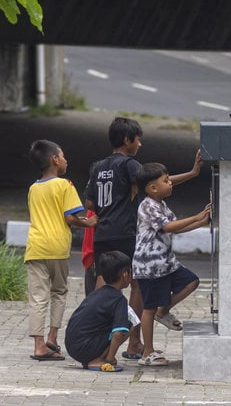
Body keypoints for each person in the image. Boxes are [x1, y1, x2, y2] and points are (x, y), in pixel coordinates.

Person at [85, 116, 203, 359]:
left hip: (102, 234)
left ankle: (94, 339)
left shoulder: (98, 166)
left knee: (102, 288)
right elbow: (153, 180)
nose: (139, 145)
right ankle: (134, 343)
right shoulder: (128, 164)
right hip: (126, 232)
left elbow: (90, 203)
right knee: (137, 287)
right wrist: (192, 174)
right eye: (138, 140)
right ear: (127, 139)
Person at [24, 139, 97, 361]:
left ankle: (38, 345)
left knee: (37, 297)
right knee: (58, 293)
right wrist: (89, 223)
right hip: (57, 248)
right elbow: (70, 217)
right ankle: (52, 338)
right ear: (55, 160)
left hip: (35, 247)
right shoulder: (65, 185)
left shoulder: (33, 188)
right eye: (63, 155)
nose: (66, 160)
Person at [133, 162, 211, 366]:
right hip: (150, 266)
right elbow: (168, 226)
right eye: (166, 181)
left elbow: (175, 229)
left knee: (191, 282)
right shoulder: (147, 205)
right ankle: (147, 352)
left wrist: (200, 222)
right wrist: (196, 216)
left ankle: (163, 311)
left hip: (166, 263)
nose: (171, 183)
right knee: (148, 308)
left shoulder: (161, 205)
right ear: (153, 188)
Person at [64, 251, 134, 372]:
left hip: (71, 345)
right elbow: (118, 334)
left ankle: (95, 356)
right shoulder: (119, 299)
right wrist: (111, 359)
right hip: (85, 347)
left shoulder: (97, 293)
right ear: (125, 275)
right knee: (128, 324)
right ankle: (99, 359)